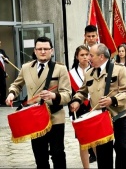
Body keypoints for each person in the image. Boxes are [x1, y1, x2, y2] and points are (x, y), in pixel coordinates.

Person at [6, 36, 72, 169]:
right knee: (40, 155)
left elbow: (68, 94)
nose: (43, 51)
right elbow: (17, 85)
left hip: (55, 117)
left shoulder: (60, 68)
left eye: (46, 49)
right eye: (39, 49)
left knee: (57, 152)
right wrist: (12, 94)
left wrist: (53, 95)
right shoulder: (26, 68)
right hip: (35, 118)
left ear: (51, 51)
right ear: (35, 51)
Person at [70, 43, 126, 169]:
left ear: (102, 57)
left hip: (118, 116)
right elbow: (82, 91)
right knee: (103, 153)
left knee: (122, 148)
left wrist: (112, 100)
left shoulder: (119, 70)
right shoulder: (89, 73)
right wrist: (76, 100)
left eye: (91, 55)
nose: (88, 58)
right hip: (99, 119)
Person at [68, 45, 92, 168]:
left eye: (87, 54)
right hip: (78, 110)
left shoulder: (96, 70)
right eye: (82, 55)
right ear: (77, 57)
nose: (85, 57)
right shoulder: (70, 73)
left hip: (94, 108)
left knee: (97, 140)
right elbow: (68, 93)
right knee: (83, 142)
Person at [83, 24, 98, 163]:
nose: (91, 38)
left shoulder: (103, 49)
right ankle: (91, 152)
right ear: (85, 37)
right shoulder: (82, 51)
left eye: (93, 36)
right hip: (85, 90)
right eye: (89, 36)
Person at [0, 40, 9, 105]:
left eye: (0, 43)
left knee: (3, 86)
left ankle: (3, 100)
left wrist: (6, 58)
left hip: (2, 72)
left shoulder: (2, 51)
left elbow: (7, 59)